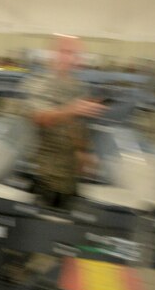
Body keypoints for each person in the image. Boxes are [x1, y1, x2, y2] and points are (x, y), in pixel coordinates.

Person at [23, 34, 104, 208]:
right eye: (65, 52)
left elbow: (78, 125)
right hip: (45, 175)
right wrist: (72, 109)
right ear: (52, 54)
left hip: (71, 176)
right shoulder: (38, 83)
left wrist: (84, 152)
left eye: (75, 54)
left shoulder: (78, 87)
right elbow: (41, 118)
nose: (70, 58)